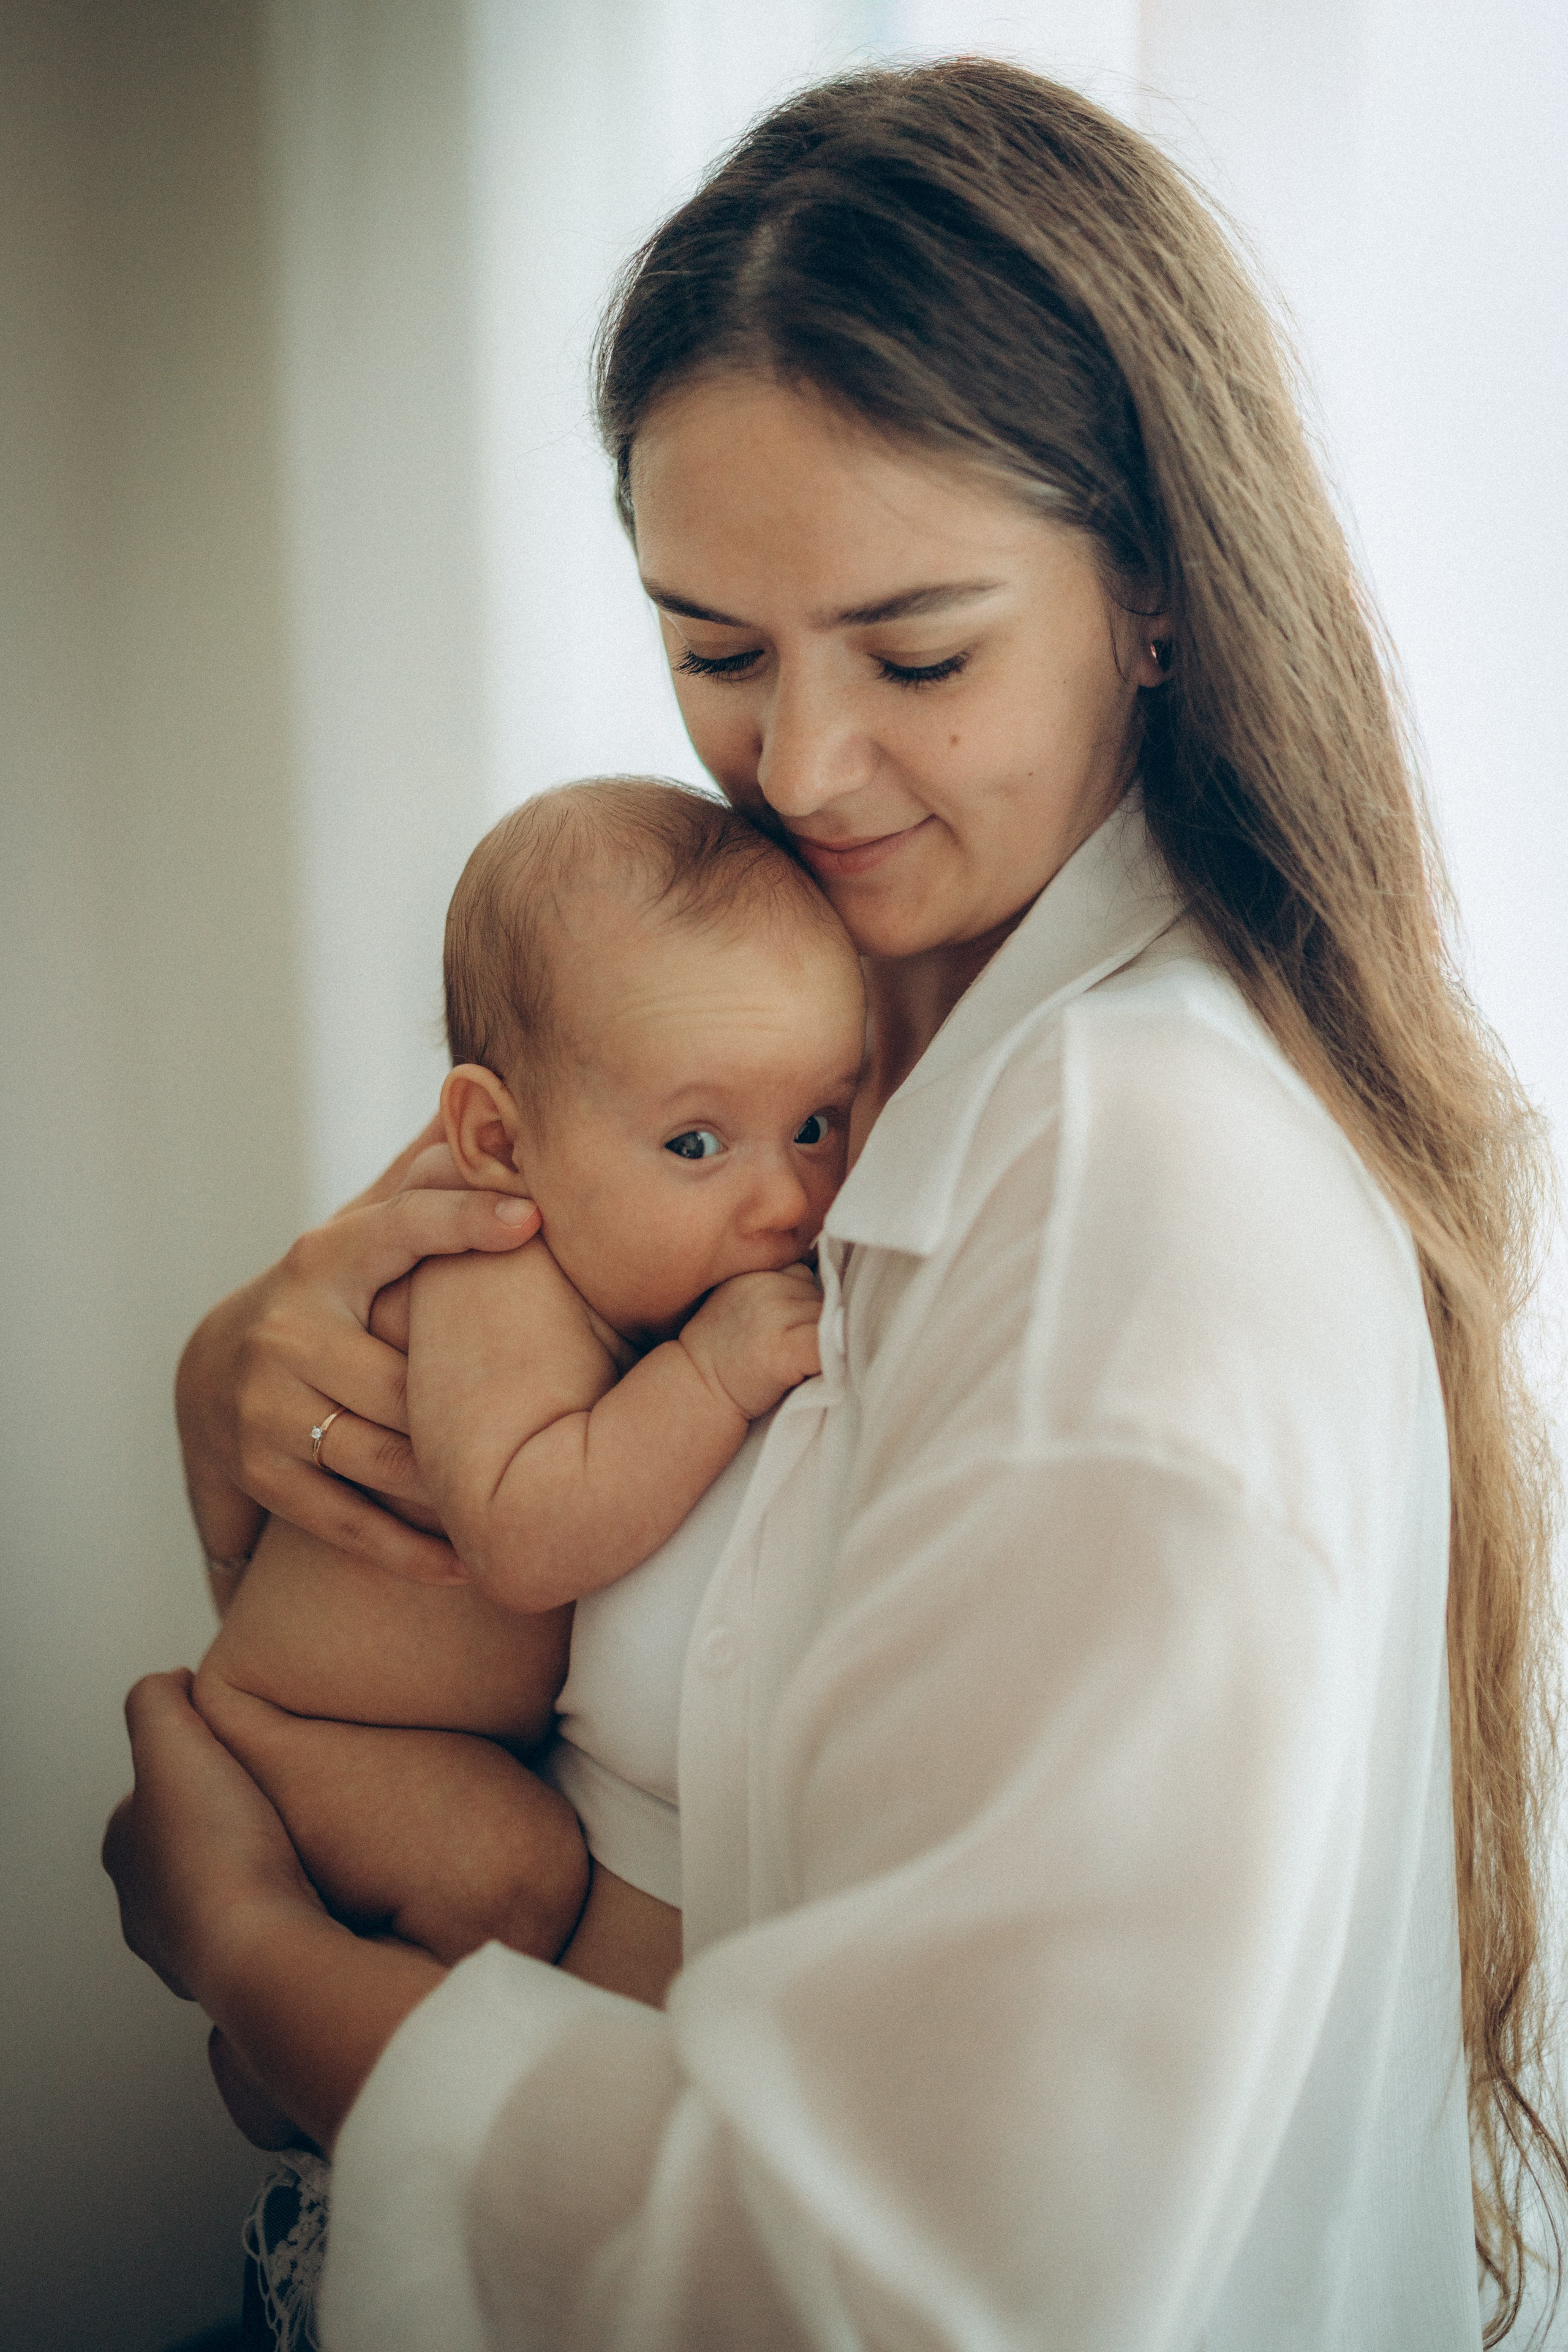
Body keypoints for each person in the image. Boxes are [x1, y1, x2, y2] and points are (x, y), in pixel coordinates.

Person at [104, 57, 1566, 2350]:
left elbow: (912, 2282)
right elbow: (352, 1376)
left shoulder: (1133, 1174)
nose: (798, 769)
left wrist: (270, 1976)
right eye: (712, 651)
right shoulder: (799, 988)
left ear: (1162, 599)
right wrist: (245, 1369)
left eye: (919, 655)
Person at [194, 778, 860, 2008]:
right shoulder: (491, 1268)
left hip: (447, 1738)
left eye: (819, 1123)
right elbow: (523, 1537)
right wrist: (709, 1377)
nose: (789, 1203)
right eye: (698, 1145)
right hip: (319, 1738)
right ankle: (279, 2076)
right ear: (498, 1141)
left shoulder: (640, 1243)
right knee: (514, 1865)